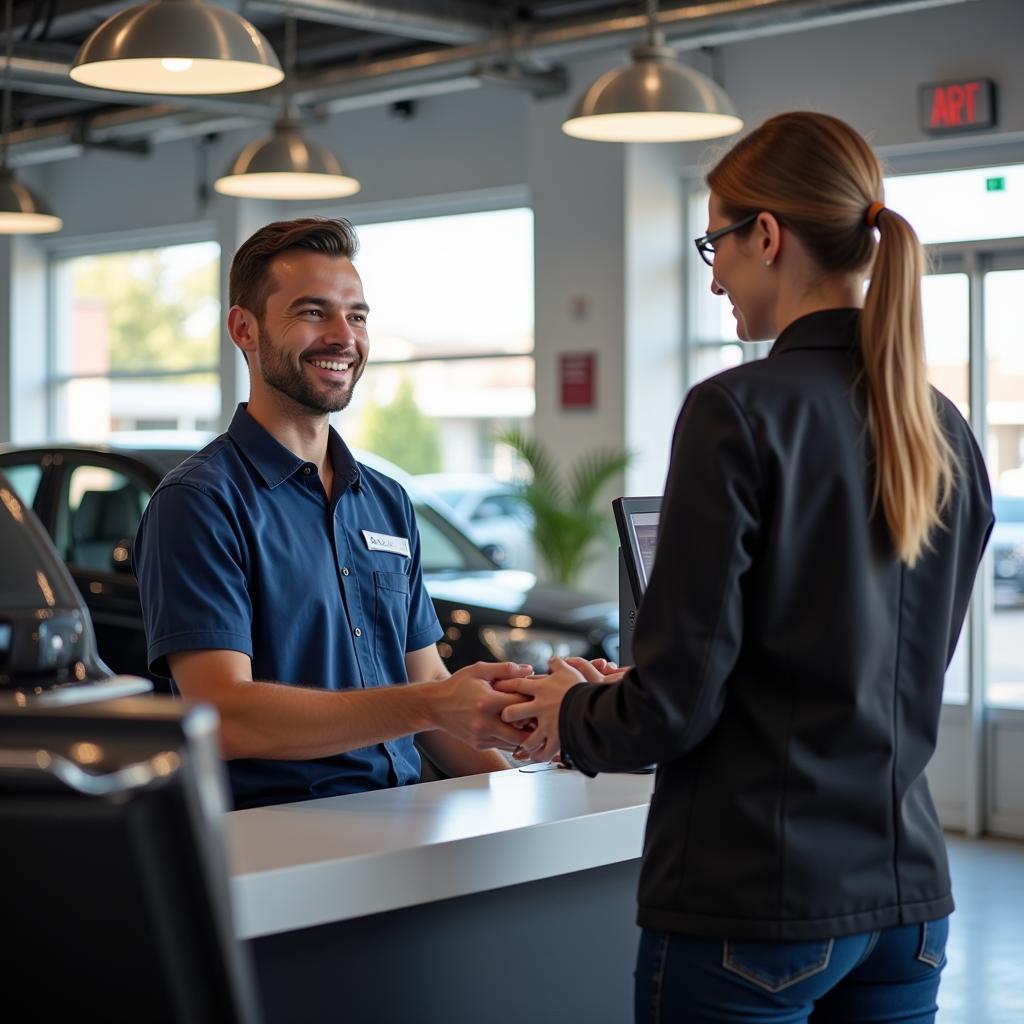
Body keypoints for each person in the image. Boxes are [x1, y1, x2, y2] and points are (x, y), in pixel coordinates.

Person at [499, 112, 994, 1023]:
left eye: (715, 243)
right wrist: (626, 698)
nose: (716, 273)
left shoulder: (736, 410)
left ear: (766, 235)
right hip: (908, 902)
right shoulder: (942, 427)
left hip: (759, 900)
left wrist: (570, 710)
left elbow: (678, 705)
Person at [133, 217, 545, 810]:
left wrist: (524, 784)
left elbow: (427, 686)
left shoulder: (386, 500)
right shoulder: (200, 502)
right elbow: (222, 713)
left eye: (356, 315)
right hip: (278, 838)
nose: (342, 336)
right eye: (312, 312)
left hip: (400, 819)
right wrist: (431, 704)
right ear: (243, 329)